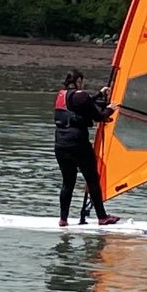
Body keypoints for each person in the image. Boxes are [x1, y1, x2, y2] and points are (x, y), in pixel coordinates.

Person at [53, 69, 119, 227]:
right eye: (81, 82)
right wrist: (111, 108)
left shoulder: (62, 95)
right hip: (78, 144)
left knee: (68, 182)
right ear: (77, 81)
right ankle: (102, 217)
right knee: (92, 180)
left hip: (60, 145)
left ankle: (63, 219)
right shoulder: (81, 95)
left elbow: (82, 104)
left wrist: (99, 94)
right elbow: (99, 116)